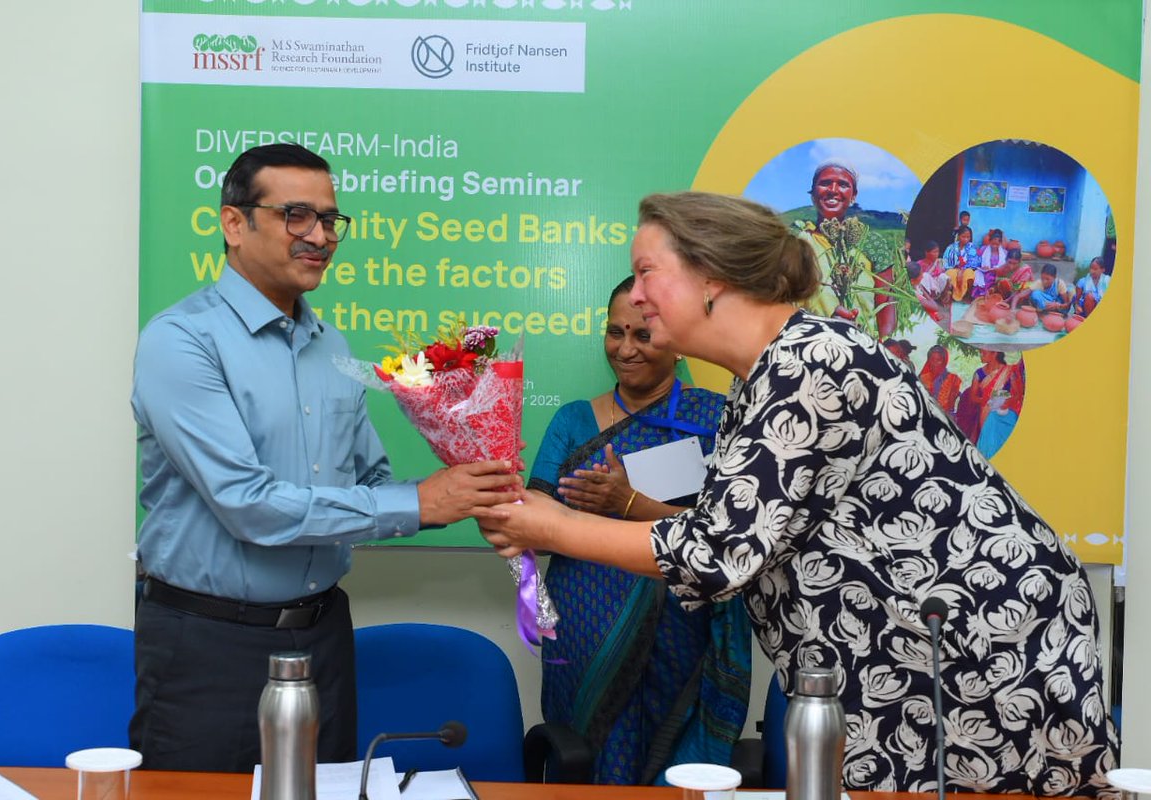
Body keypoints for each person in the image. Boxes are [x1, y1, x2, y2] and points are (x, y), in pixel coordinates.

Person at [477, 191, 1117, 797]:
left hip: (980, 654)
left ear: (711, 278)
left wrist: (551, 527)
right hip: (902, 655)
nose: (635, 297)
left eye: (646, 272)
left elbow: (716, 553)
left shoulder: (808, 365)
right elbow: (742, 534)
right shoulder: (764, 375)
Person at [129, 144, 520, 772]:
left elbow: (372, 483)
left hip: (321, 637)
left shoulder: (329, 344)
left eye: (330, 219)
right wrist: (419, 503)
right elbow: (248, 507)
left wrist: (469, 487)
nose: (320, 236)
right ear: (234, 223)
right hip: (208, 643)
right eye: (296, 216)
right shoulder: (181, 341)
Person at [527, 276, 752, 784]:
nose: (624, 349)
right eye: (614, 332)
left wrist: (628, 502)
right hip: (585, 635)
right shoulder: (573, 421)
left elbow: (731, 538)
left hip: (678, 634)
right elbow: (537, 531)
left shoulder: (713, 418)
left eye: (642, 336)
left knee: (668, 770)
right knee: (585, 766)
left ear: (674, 343)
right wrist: (506, 513)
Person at [794, 162, 896, 338]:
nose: (833, 190)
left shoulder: (871, 243)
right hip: (810, 343)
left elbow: (886, 303)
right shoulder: (795, 241)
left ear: (853, 196)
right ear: (813, 194)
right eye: (825, 183)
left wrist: (884, 345)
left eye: (843, 184)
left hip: (865, 346)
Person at [917, 344, 961, 416]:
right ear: (928, 360)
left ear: (944, 361)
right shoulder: (922, 378)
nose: (935, 363)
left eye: (938, 360)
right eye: (932, 359)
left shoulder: (953, 379)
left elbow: (951, 405)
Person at [942, 225, 979, 302]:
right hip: (953, 269)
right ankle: (950, 295)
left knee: (969, 274)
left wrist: (962, 271)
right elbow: (946, 261)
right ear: (958, 236)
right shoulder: (951, 247)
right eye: (963, 236)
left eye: (968, 237)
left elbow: (974, 262)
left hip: (967, 269)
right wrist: (957, 270)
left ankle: (967, 296)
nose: (966, 239)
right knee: (950, 274)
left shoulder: (972, 247)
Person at [974, 229, 1006, 298]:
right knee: (982, 277)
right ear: (990, 241)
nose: (994, 245)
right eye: (993, 243)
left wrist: (998, 269)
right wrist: (982, 267)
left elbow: (1006, 266)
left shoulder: (1004, 253)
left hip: (998, 273)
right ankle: (983, 295)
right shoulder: (983, 249)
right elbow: (977, 261)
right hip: (985, 272)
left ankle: (991, 295)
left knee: (996, 280)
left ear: (1000, 243)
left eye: (997, 244)